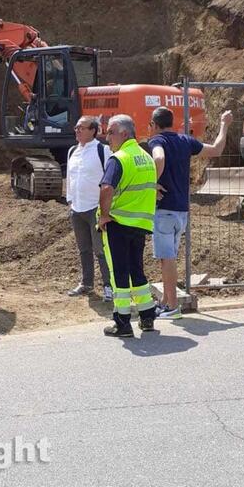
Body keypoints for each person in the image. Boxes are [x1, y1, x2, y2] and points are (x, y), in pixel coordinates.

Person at [149, 106, 233, 319]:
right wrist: (224, 125)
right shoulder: (185, 141)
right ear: (173, 123)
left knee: (167, 259)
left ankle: (172, 307)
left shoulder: (157, 141)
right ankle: (166, 301)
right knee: (168, 258)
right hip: (181, 211)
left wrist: (152, 184)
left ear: (155, 126)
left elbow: (158, 159)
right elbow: (215, 150)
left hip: (164, 210)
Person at [97, 114, 158, 337]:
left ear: (124, 134)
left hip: (119, 223)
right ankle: (147, 316)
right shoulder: (146, 157)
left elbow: (106, 188)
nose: (107, 137)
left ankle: (122, 323)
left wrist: (104, 215)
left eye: (110, 132)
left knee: (119, 274)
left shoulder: (119, 158)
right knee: (137, 270)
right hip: (140, 224)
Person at [65, 116, 113, 300]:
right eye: (76, 127)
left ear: (93, 130)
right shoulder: (72, 152)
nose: (77, 130)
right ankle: (87, 283)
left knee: (101, 250)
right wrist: (70, 200)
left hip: (96, 208)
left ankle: (109, 286)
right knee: (83, 248)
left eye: (81, 128)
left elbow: (110, 178)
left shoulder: (103, 151)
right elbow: (70, 178)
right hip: (77, 208)